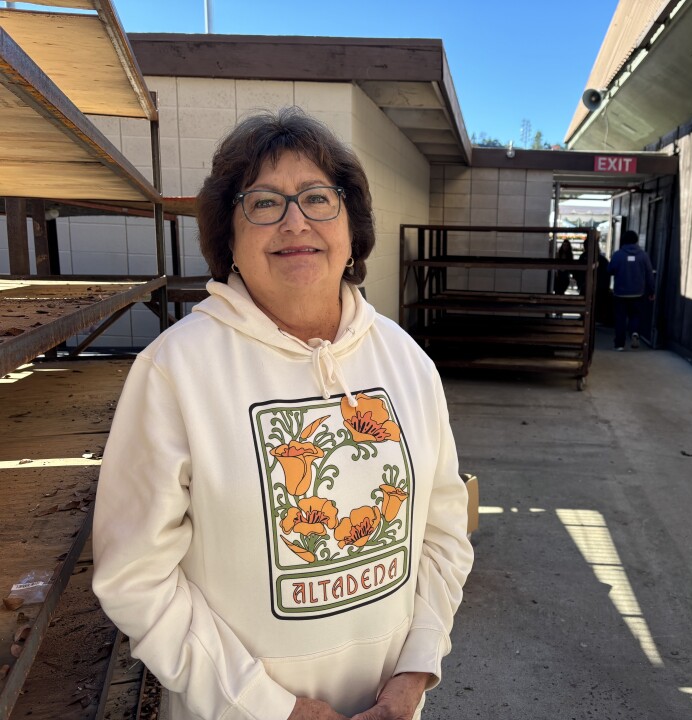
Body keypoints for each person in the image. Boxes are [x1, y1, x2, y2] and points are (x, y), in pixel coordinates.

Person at [92, 107, 474, 720]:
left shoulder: (406, 361)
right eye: (264, 203)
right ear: (230, 239)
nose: (296, 221)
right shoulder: (175, 371)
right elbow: (135, 576)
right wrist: (272, 708)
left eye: (318, 198)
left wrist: (416, 668)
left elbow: (443, 530)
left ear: (351, 226)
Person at [608, 229, 655, 350]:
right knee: (635, 315)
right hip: (638, 292)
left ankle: (619, 344)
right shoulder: (643, 255)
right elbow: (649, 274)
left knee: (620, 318)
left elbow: (610, 270)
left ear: (623, 240)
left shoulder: (618, 254)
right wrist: (652, 291)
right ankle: (635, 333)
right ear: (636, 241)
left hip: (620, 293)